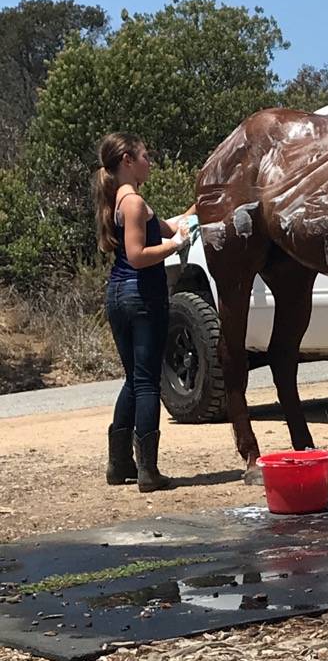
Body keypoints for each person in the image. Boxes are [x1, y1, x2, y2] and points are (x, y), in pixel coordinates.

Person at [93, 132, 194, 493]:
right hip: (142, 297)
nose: (150, 162)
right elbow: (138, 255)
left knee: (134, 379)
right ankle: (148, 471)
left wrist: (191, 215)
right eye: (145, 156)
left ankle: (120, 464)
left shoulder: (124, 201)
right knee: (148, 381)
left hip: (120, 295)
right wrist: (173, 246)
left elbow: (168, 225)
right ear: (127, 162)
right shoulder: (133, 203)